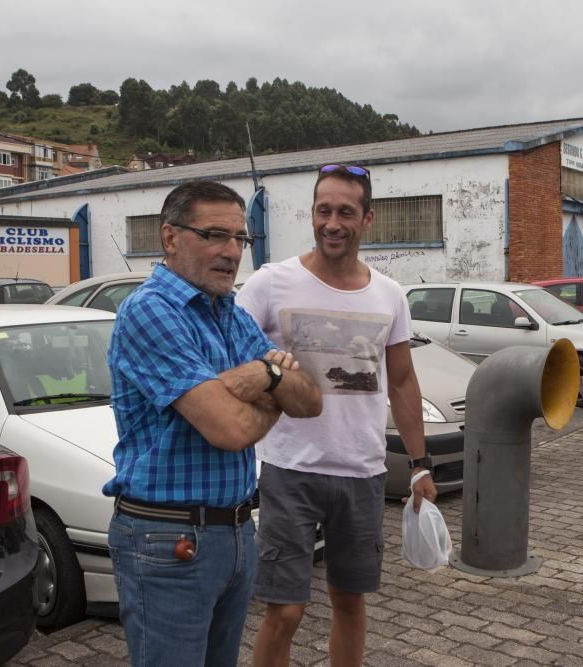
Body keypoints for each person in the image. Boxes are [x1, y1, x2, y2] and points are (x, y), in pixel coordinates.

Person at [105, 181, 322, 667]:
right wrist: (275, 383)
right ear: (170, 238)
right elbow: (229, 430)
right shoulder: (151, 312)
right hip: (169, 541)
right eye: (215, 236)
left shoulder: (229, 314)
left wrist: (261, 377)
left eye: (240, 240)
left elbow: (309, 400)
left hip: (235, 533)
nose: (231, 252)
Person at [238, 163, 438, 667]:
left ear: (367, 219)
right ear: (311, 215)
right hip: (290, 470)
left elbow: (402, 381)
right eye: (323, 210)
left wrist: (420, 464)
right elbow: (229, 356)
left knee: (350, 602)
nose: (332, 222)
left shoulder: (389, 295)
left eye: (345, 212)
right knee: (285, 610)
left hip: (362, 472)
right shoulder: (270, 283)